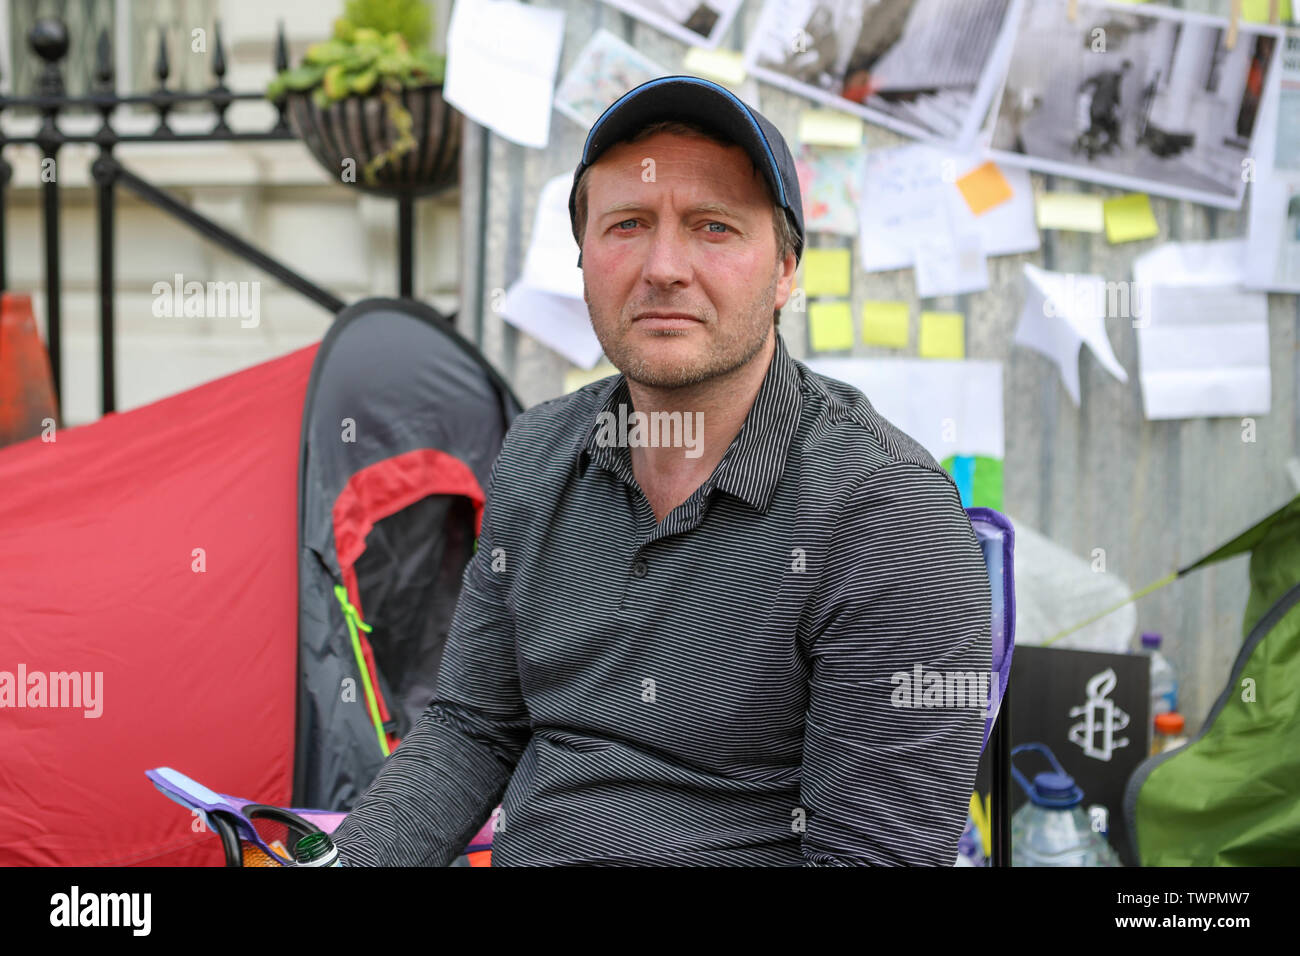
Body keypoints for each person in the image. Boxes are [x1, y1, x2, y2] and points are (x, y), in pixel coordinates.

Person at [329, 75, 992, 866]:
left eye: (713, 227)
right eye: (628, 224)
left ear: (784, 272)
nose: (664, 267)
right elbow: (472, 728)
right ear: (584, 260)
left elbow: (870, 858)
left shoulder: (887, 517)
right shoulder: (539, 456)